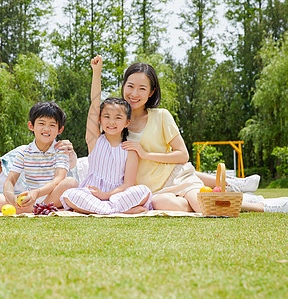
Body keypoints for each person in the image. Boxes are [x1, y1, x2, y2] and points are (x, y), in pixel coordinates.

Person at [90, 55, 287, 213]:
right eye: (130, 86)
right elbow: (93, 108)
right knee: (163, 204)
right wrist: (96, 73)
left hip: (178, 178)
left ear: (151, 92)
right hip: (151, 191)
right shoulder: (115, 122)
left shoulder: (161, 116)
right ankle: (222, 194)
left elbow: (182, 155)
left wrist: (145, 153)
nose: (134, 93)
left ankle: (264, 205)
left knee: (205, 207)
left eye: (142, 88)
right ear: (123, 85)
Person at [60, 95, 152, 214]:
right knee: (70, 194)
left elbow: (128, 184)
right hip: (91, 193)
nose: (111, 122)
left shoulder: (130, 150)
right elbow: (94, 104)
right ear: (99, 120)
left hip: (117, 196)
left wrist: (105, 195)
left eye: (118, 118)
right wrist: (97, 75)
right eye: (106, 116)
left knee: (143, 190)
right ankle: (121, 211)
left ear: (127, 122)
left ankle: (103, 210)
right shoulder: (95, 140)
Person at [0, 102, 79, 213]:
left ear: (59, 130)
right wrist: (12, 198)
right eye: (41, 123)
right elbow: (10, 181)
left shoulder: (61, 150)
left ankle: (37, 208)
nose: (46, 129)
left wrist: (36, 192)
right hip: (30, 198)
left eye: (52, 125)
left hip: (52, 196)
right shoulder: (23, 152)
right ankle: (40, 209)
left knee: (71, 182)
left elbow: (59, 179)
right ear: (31, 126)